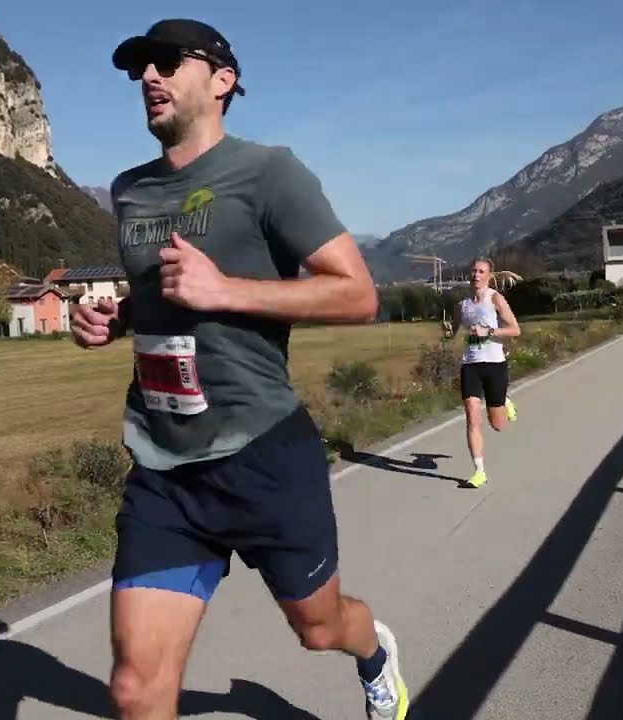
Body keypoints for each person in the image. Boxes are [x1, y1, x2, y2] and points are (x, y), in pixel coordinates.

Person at [69, 19, 408, 720]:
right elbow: (160, 290)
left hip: (262, 454)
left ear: (222, 81)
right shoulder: (130, 191)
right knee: (135, 686)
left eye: (166, 62)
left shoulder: (268, 172)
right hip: (165, 465)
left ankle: (373, 651)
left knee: (319, 628)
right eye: (140, 69)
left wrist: (227, 290)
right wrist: (116, 317)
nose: (149, 79)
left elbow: (357, 293)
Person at [441, 258, 521, 488]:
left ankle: (504, 400)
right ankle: (479, 472)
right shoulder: (462, 305)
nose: (476, 275)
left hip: (495, 364)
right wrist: (447, 332)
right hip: (471, 365)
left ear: (489, 275)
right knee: (472, 416)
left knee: (498, 425)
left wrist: (489, 331)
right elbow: (453, 330)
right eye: (473, 271)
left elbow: (515, 329)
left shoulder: (495, 299)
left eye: (481, 271)